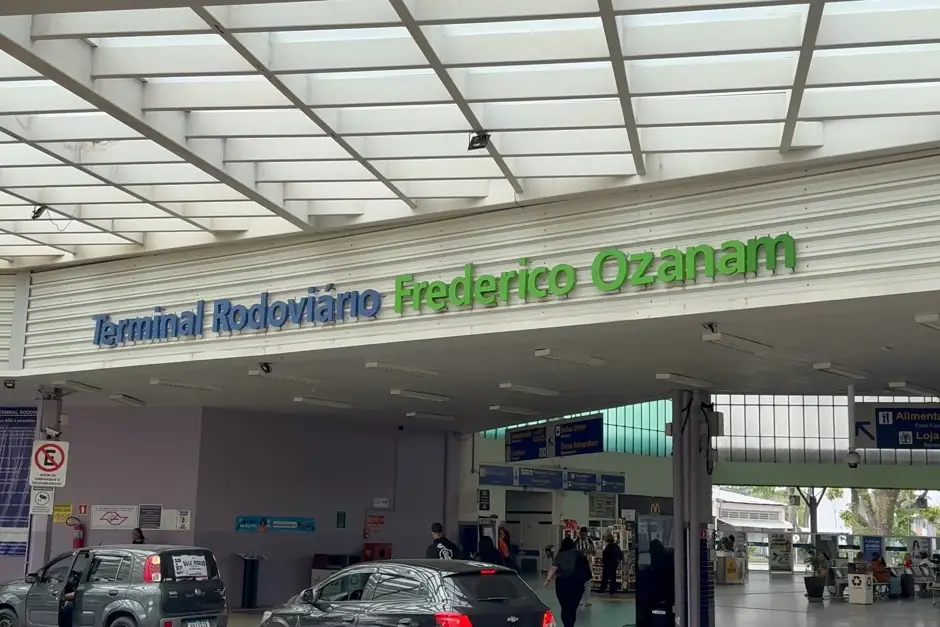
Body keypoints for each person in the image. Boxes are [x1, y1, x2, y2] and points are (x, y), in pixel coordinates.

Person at [544, 537, 591, 627]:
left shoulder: (560, 555)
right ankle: (570, 624)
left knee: (565, 606)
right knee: (573, 607)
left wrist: (547, 580)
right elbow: (586, 568)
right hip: (577, 584)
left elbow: (553, 568)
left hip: (562, 583)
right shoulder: (578, 554)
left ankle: (567, 624)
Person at [574, 527, 595, 607]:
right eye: (582, 534)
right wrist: (580, 552)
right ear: (580, 534)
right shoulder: (576, 541)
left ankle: (587, 600)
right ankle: (579, 599)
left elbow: (594, 552)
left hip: (588, 563)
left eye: (585, 534)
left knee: (588, 582)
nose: (584, 536)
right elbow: (572, 552)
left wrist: (588, 551)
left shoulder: (589, 541)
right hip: (578, 563)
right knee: (579, 582)